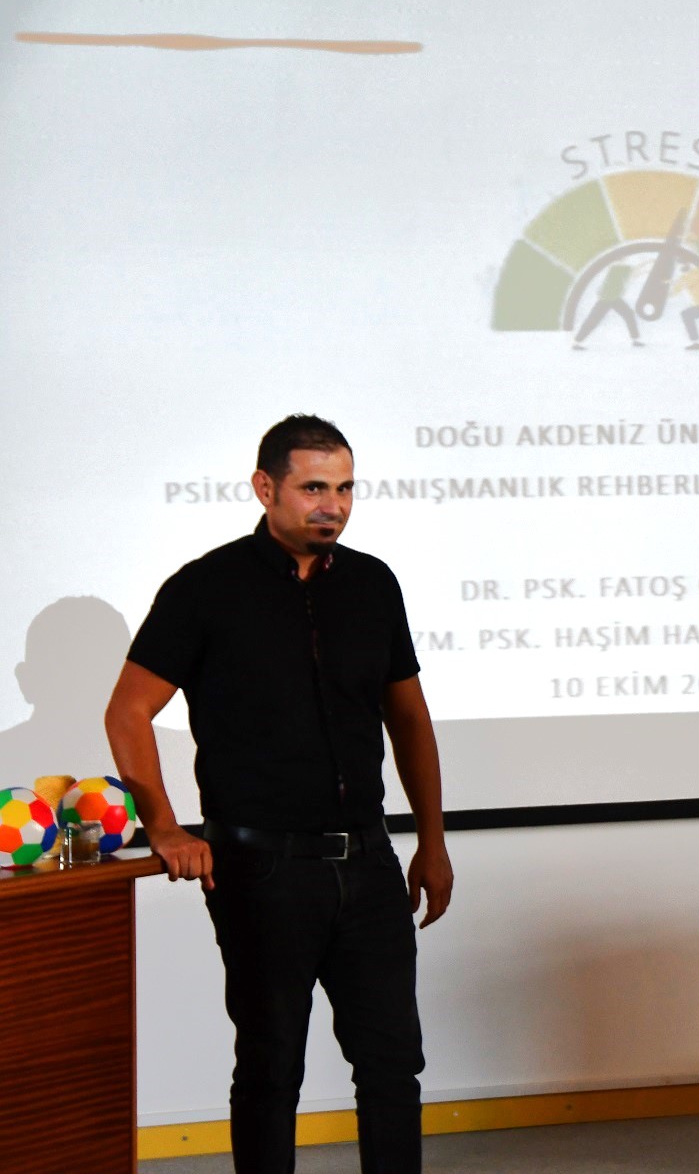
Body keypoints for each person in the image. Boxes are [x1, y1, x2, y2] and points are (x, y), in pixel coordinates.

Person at [104, 414, 453, 1174]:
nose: (334, 505)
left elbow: (409, 719)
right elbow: (128, 710)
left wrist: (432, 840)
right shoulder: (205, 589)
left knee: (393, 1064)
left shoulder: (373, 584)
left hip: (368, 863)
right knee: (270, 1068)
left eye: (346, 488)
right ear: (266, 488)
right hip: (261, 871)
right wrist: (162, 825)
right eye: (314, 488)